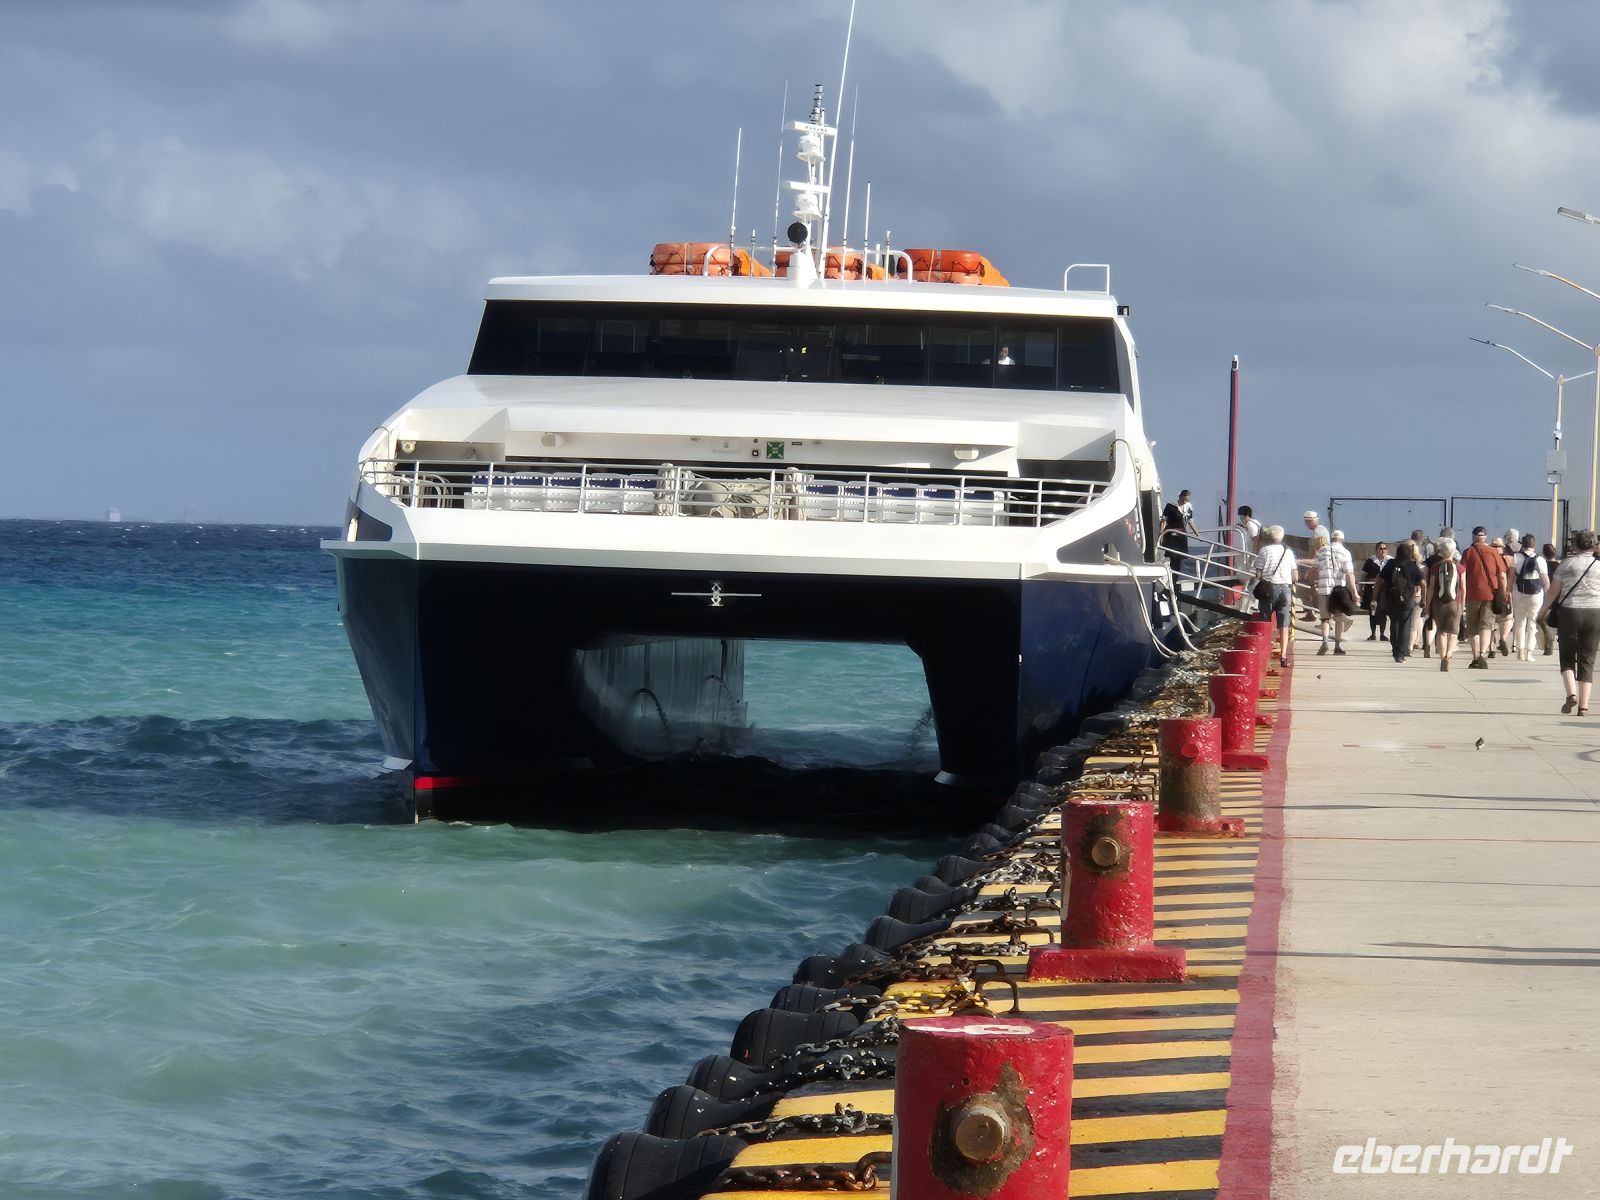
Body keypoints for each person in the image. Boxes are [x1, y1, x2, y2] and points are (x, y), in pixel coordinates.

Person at [1539, 529, 1600, 715]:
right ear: (1594, 545)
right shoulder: (1599, 566)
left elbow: (1553, 592)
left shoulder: (1565, 565)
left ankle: (1571, 693)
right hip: (1594, 613)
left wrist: (1543, 610)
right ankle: (1584, 706)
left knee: (1566, 656)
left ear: (1576, 545)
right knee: (1587, 659)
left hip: (1570, 613)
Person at [1460, 526, 1508, 669]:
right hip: (1490, 594)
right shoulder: (1494, 552)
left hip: (1472, 595)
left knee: (1473, 627)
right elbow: (1502, 576)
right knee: (1486, 626)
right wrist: (1503, 594)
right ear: (1485, 537)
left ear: (1474, 537)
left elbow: (1462, 573)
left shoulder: (1468, 553)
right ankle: (1482, 653)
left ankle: (1475, 657)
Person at [1254, 525, 1298, 666]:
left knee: (1265, 622)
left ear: (1269, 537)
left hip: (1268, 588)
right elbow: (1295, 576)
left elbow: (1259, 574)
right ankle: (1283, 656)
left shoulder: (1264, 550)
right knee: (1284, 625)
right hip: (1285, 588)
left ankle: (1265, 655)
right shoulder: (1289, 552)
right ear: (1282, 537)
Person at [1312, 533, 1358, 655]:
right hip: (1338, 590)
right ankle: (1337, 646)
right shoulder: (1345, 552)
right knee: (1338, 619)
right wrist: (1354, 592)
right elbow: (1349, 573)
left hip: (1323, 588)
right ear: (1342, 540)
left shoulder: (1322, 550)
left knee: (1325, 618)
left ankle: (1325, 642)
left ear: (1331, 539)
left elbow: (1315, 565)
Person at [1380, 540, 1424, 663]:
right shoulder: (1412, 565)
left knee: (1394, 623)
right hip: (1408, 599)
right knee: (1405, 625)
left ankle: (1395, 649)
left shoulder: (1390, 564)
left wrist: (1374, 597)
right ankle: (1401, 654)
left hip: (1392, 598)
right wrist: (1424, 598)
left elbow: (1380, 581)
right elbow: (1423, 583)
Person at [1423, 537, 1463, 671]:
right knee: (1453, 633)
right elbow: (1463, 588)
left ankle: (1441, 658)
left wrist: (1427, 605)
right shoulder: (1460, 568)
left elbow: (1431, 588)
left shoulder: (1435, 567)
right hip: (1454, 603)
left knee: (1441, 631)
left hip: (1439, 602)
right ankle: (1448, 656)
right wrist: (1462, 605)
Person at [1510, 533, 1548, 661]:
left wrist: (1507, 591)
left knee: (1519, 622)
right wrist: (1548, 596)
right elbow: (1546, 580)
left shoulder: (1515, 558)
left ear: (1523, 544)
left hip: (1519, 594)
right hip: (1536, 595)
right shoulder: (1541, 560)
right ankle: (1530, 653)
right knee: (1532, 623)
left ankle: (1520, 651)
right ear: (1534, 545)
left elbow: (1510, 578)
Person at [1159, 489, 1197, 580]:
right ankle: (1173, 582)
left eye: (1187, 500)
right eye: (1184, 499)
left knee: (1178, 560)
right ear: (1180, 497)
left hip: (1181, 537)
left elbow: (1190, 521)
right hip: (1171, 536)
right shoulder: (1170, 506)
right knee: (1173, 559)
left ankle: (1175, 581)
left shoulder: (1188, 507)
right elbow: (1164, 520)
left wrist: (1197, 533)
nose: (1185, 501)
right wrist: (1161, 534)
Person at [1362, 540, 1392, 641]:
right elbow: (1364, 575)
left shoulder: (1391, 561)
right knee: (1372, 612)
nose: (1382, 551)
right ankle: (1373, 634)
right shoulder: (1371, 561)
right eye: (1380, 548)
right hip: (1371, 590)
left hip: (1386, 591)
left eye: (1384, 548)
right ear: (1376, 550)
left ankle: (1383, 634)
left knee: (1383, 612)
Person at [1492, 534, 1516, 657]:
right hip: (1505, 591)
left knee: (1490, 620)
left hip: (1491, 591)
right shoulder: (1510, 559)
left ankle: (1491, 647)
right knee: (1507, 618)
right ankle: (1503, 638)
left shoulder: (1489, 558)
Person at [1539, 542, 1561, 655]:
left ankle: (1548, 646)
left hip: (1545, 595)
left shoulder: (1543, 565)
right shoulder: (1560, 566)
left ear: (1544, 553)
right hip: (1558, 596)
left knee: (1545, 621)